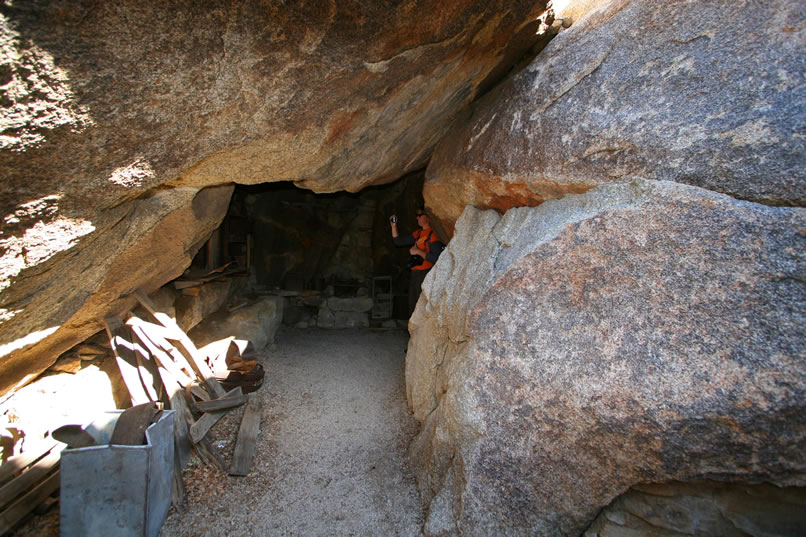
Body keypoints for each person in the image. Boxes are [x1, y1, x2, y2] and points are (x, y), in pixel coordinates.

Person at [390, 207, 445, 317]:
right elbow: (398, 241)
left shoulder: (433, 235)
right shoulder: (418, 233)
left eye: (420, 215)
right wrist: (393, 225)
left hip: (425, 273)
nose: (417, 218)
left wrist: (418, 252)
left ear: (428, 217)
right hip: (415, 273)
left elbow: (436, 258)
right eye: (417, 215)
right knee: (412, 304)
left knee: (422, 305)